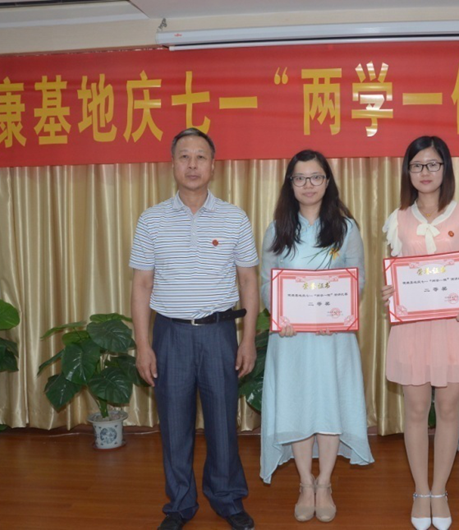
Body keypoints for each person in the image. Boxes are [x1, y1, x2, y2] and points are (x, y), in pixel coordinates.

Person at [130, 128, 259, 530]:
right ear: (172, 164)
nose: (192, 165)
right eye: (184, 156)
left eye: (200, 157)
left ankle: (227, 498)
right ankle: (180, 504)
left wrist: (248, 339)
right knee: (174, 425)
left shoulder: (234, 217)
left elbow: (249, 281)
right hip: (170, 335)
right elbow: (141, 284)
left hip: (219, 334)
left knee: (222, 422)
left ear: (213, 166)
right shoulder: (151, 220)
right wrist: (142, 345)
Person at [259, 150, 374, 523]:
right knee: (296, 404)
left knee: (328, 403)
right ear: (290, 184)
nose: (308, 185)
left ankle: (324, 483)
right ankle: (304, 483)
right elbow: (267, 282)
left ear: (327, 182)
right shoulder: (277, 229)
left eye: (316, 177)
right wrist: (279, 312)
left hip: (332, 336)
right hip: (290, 338)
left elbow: (357, 278)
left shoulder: (346, 228)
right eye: (300, 178)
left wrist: (337, 314)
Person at [381, 136, 459, 530]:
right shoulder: (398, 219)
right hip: (412, 328)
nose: (424, 172)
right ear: (407, 172)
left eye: (432, 164)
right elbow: (395, 273)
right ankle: (420, 491)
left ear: (445, 168)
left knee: (447, 410)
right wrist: (389, 292)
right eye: (417, 165)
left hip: (454, 326)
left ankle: (440, 491)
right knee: (414, 411)